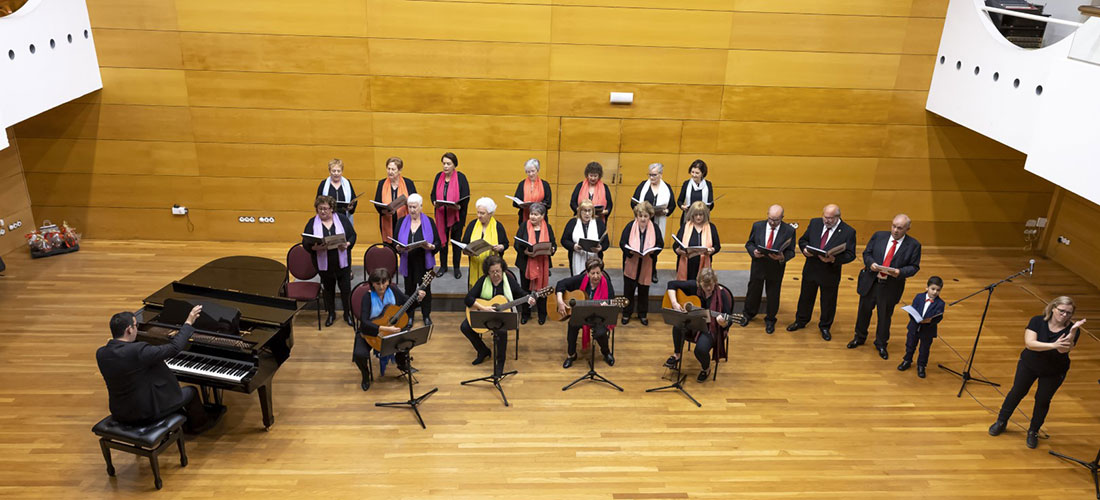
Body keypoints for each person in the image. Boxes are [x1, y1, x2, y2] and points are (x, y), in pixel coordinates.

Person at [988, 297, 1086, 448]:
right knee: (1017, 392)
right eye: (1062, 311)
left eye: (1069, 313)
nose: (1065, 315)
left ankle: (1033, 430)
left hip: (1054, 370)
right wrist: (1053, 344)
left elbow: (1063, 350)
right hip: (1029, 364)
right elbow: (1030, 344)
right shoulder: (1037, 321)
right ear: (1053, 308)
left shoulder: (1073, 330)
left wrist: (1072, 332)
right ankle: (1001, 421)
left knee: (1043, 399)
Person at [96, 306, 212, 434]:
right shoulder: (138, 351)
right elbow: (174, 348)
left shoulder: (101, 353)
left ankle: (181, 423)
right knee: (191, 391)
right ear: (129, 330)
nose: (137, 328)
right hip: (145, 414)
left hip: (120, 412)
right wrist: (188, 322)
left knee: (165, 390)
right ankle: (199, 426)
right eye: (136, 325)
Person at [848, 214, 922, 360]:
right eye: (893, 226)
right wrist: (871, 264)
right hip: (872, 282)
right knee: (863, 311)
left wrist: (900, 272)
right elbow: (867, 253)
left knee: (884, 317)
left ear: (907, 229)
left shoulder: (914, 245)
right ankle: (860, 337)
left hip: (890, 286)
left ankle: (881, 343)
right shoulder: (879, 236)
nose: (895, 230)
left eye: (899, 228)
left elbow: (914, 267)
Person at [786, 204, 857, 341]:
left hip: (830, 272)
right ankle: (801, 321)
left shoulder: (848, 231)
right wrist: (805, 249)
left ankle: (825, 326)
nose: (827, 220)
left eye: (830, 218)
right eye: (825, 217)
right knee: (805, 297)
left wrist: (834, 259)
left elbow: (850, 254)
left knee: (828, 302)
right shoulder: (815, 223)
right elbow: (803, 240)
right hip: (811, 269)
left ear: (838, 217)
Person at [461, 255, 536, 378]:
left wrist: (530, 299)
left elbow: (521, 293)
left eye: (498, 271)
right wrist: (484, 308)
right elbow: (468, 299)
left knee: (501, 331)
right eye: (492, 272)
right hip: (485, 313)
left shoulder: (509, 281)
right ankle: (483, 350)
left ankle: (500, 363)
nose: (496, 274)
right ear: (488, 272)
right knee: (465, 327)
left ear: (502, 270)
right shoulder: (483, 280)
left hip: (502, 317)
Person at [354, 268, 425, 391]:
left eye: (384, 282)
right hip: (370, 332)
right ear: (372, 284)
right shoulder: (367, 297)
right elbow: (364, 322)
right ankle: (365, 375)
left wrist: (418, 299)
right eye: (378, 283)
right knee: (359, 354)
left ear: (388, 281)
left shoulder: (393, 290)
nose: (381, 286)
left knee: (408, 340)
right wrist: (384, 328)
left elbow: (407, 306)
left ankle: (401, 363)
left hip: (391, 331)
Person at [664, 268, 734, 382]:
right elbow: (671, 284)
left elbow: (729, 318)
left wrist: (724, 322)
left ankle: (706, 369)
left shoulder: (721, 295)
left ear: (715, 282)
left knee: (700, 350)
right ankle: (677, 355)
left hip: (710, 328)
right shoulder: (694, 286)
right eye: (704, 285)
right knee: (677, 326)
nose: (708, 288)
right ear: (699, 282)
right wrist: (674, 303)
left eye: (710, 285)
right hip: (694, 323)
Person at [303, 195, 357, 327]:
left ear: (332, 209)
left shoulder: (342, 220)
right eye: (320, 209)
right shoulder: (312, 223)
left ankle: (347, 314)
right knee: (328, 290)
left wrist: (348, 244)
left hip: (342, 263)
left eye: (326, 209)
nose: (323, 211)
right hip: (324, 264)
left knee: (345, 289)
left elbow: (352, 235)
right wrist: (313, 247)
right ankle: (331, 314)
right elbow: (305, 242)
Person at [741, 205, 796, 334]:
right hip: (758, 264)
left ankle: (770, 319)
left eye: (776, 220)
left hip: (775, 267)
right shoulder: (758, 226)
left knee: (773, 294)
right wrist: (753, 251)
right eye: (770, 219)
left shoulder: (789, 230)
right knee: (753, 290)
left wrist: (782, 257)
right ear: (767, 215)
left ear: (782, 217)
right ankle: (748, 314)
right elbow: (749, 243)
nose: (772, 222)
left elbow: (791, 251)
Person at [556, 257, 617, 369]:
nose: (596, 276)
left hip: (598, 317)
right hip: (581, 315)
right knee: (572, 326)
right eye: (592, 273)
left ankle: (606, 352)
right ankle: (571, 355)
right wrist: (560, 300)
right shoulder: (581, 279)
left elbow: (612, 303)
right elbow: (561, 284)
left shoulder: (607, 284)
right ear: (587, 274)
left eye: (598, 273)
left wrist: (606, 307)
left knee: (600, 333)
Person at [394, 193, 439, 326]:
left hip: (424, 263)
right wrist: (398, 248)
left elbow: (438, 242)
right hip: (408, 263)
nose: (412, 210)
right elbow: (395, 241)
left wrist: (431, 246)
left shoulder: (429, 222)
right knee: (409, 290)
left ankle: (426, 315)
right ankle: (410, 316)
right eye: (410, 207)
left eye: (415, 207)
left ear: (421, 207)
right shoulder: (402, 222)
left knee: (425, 290)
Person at [619, 201, 663, 326]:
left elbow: (660, 244)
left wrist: (653, 252)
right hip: (631, 262)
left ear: (650, 216)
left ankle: (642, 314)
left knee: (644, 290)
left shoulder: (655, 228)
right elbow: (622, 243)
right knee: (628, 290)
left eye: (646, 216)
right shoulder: (629, 227)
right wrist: (630, 252)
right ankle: (626, 313)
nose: (643, 219)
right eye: (640, 216)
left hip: (647, 263)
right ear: (636, 216)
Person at [630, 162, 675, 283]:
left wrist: (666, 211)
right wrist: (641, 209)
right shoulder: (642, 186)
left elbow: (672, 205)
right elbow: (633, 202)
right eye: (650, 175)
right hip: (643, 222)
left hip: (657, 222)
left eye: (654, 175)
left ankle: (652, 270)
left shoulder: (667, 188)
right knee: (641, 244)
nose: (651, 178)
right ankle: (638, 269)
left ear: (660, 174)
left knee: (654, 246)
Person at [513, 202, 556, 325]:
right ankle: (526, 314)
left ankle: (542, 314)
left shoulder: (548, 228)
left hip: (542, 263)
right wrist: (525, 251)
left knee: (542, 290)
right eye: (531, 214)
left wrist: (552, 250)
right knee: (525, 289)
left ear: (542, 216)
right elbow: (517, 244)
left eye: (536, 214)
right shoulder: (523, 226)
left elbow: (553, 244)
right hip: (526, 263)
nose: (533, 217)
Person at [431, 152, 471, 279]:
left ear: (454, 165)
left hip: (456, 217)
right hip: (441, 215)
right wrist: (434, 202)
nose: (445, 166)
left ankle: (457, 267)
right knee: (442, 243)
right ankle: (443, 266)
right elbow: (433, 194)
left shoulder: (461, 177)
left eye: (448, 164)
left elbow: (466, 196)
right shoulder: (439, 176)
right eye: (444, 163)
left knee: (455, 243)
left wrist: (459, 206)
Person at [896, 276, 945, 378]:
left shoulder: (940, 303)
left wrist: (929, 321)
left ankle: (921, 366)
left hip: (928, 330)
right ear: (927, 288)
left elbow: (939, 317)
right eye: (933, 289)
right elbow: (912, 310)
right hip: (914, 327)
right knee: (910, 344)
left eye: (938, 290)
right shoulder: (919, 297)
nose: (935, 292)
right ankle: (907, 360)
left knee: (924, 349)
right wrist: (915, 317)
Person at [461, 197, 510, 287]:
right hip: (475, 264)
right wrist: (466, 250)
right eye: (478, 212)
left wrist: (501, 247)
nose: (479, 215)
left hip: (492, 267)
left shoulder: (498, 226)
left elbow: (506, 244)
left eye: (482, 213)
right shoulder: (472, 225)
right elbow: (464, 243)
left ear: (490, 214)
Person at [673, 201, 721, 281]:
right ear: (692, 215)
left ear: (705, 215)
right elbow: (675, 245)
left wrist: (712, 250)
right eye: (696, 215)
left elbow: (717, 246)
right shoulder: (685, 226)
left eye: (701, 215)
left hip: (704, 265)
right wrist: (678, 251)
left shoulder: (711, 227)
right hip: (687, 264)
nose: (698, 217)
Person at [373, 156, 416, 243]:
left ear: (399, 171)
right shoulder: (381, 183)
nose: (390, 172)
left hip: (404, 221)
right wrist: (384, 210)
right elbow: (377, 202)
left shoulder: (408, 183)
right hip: (387, 220)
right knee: (389, 250)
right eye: (388, 169)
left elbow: (416, 201)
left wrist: (408, 202)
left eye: (393, 169)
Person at [561, 199, 610, 275]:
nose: (587, 214)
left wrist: (600, 248)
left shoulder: (599, 223)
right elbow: (564, 240)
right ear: (580, 211)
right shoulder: (572, 222)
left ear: (593, 211)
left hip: (595, 258)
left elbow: (606, 243)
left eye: (589, 211)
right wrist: (574, 246)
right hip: (577, 256)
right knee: (577, 281)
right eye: (584, 211)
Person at [512, 158, 552, 225]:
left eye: (533, 171)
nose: (531, 174)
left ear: (537, 170)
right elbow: (515, 203)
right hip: (524, 218)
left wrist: (538, 205)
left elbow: (548, 203)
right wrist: (523, 204)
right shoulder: (522, 184)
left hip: (540, 219)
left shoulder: (545, 185)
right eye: (528, 172)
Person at [677, 159, 715, 228]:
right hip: (688, 216)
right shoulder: (686, 184)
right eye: (692, 172)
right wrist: (682, 206)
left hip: (702, 218)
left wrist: (706, 208)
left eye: (697, 173)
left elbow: (711, 203)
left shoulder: (708, 185)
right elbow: (679, 201)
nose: (694, 175)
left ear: (702, 173)